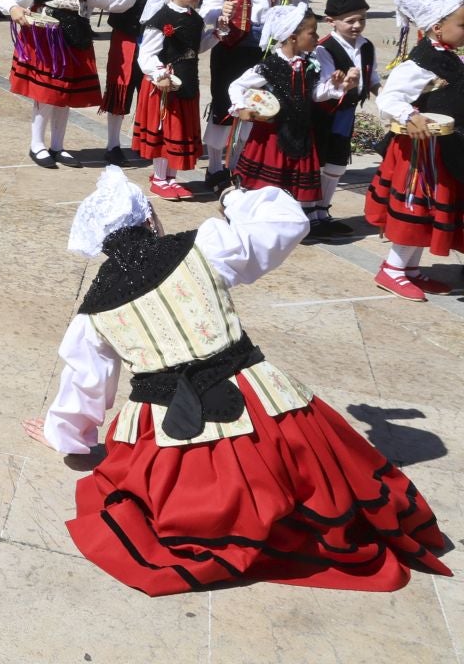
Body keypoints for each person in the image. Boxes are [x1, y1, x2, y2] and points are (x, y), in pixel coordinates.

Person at [30, 168, 451, 595]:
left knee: (151, 495)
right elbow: (287, 222)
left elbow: (86, 380)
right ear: (149, 218)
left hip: (167, 424)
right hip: (258, 398)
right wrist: (233, 198)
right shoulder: (203, 245)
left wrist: (67, 435)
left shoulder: (92, 311)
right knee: (319, 471)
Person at [0, 0, 140, 168]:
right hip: (48, 37)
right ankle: (37, 144)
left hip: (76, 34)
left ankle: (58, 146)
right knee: (47, 95)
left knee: (66, 96)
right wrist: (14, 8)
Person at [365, 0, 464, 300]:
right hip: (422, 154)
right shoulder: (421, 62)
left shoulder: (445, 55)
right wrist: (410, 114)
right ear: (438, 27)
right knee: (417, 209)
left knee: (430, 210)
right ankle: (392, 269)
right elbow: (389, 97)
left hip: (443, 149)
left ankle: (410, 270)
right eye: (462, 25)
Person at [227, 4, 335, 212]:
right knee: (264, 185)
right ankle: (256, 214)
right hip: (272, 137)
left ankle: (285, 216)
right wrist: (241, 108)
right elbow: (237, 85)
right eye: (312, 33)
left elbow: (313, 94)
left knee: (291, 184)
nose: (316, 37)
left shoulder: (308, 64)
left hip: (300, 132)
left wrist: (336, 87)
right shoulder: (270, 66)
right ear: (293, 37)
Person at [200, 0, 280, 188]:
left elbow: (273, 9)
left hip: (261, 48)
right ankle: (214, 168)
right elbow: (206, 12)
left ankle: (236, 165)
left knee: (253, 105)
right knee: (224, 106)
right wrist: (219, 12)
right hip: (232, 46)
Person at [134, 0, 215, 199]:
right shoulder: (161, 18)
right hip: (166, 86)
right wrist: (160, 74)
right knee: (165, 130)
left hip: (187, 80)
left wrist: (216, 35)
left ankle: (170, 178)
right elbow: (146, 53)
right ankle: (159, 178)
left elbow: (195, 48)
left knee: (178, 131)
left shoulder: (195, 18)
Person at [99, 0, 168, 164]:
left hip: (159, 41)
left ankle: (144, 141)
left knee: (151, 89)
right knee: (121, 86)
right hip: (128, 36)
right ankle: (113, 144)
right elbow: (113, 4)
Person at [310, 0, 376, 236]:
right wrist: (343, 84)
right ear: (332, 21)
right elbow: (325, 85)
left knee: (337, 162)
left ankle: (323, 210)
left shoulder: (366, 46)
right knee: (318, 160)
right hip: (324, 114)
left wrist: (386, 97)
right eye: (350, 21)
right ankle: (310, 211)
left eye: (362, 19)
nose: (357, 26)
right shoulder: (324, 47)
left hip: (346, 113)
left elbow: (374, 76)